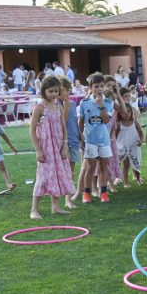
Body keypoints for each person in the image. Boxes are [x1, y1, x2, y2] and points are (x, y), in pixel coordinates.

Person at [29, 76, 76, 219]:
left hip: (58, 146)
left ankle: (55, 206)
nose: (54, 94)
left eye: (56, 91)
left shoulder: (58, 106)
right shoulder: (39, 107)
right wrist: (38, 150)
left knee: (57, 174)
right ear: (43, 91)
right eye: (51, 91)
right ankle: (34, 209)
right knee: (43, 177)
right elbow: (31, 130)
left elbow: (63, 127)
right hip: (45, 147)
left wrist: (64, 146)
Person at [78, 72, 114, 204]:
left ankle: (103, 192)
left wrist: (101, 105)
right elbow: (81, 121)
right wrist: (81, 137)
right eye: (96, 86)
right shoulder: (84, 103)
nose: (99, 89)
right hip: (90, 140)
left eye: (101, 86)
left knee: (104, 166)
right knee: (90, 167)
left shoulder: (108, 102)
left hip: (104, 140)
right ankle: (86, 193)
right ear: (90, 88)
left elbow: (105, 120)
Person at [57, 75, 81, 210]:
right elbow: (62, 123)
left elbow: (74, 121)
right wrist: (65, 106)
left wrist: (80, 134)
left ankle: (68, 199)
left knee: (70, 172)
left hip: (74, 140)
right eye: (61, 90)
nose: (64, 93)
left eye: (66, 90)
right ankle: (64, 197)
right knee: (64, 171)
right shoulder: (58, 106)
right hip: (63, 143)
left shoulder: (72, 104)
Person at [116, 102, 143, 187]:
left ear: (131, 112)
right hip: (124, 147)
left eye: (128, 111)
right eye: (124, 112)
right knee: (126, 165)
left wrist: (140, 140)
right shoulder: (119, 124)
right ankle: (126, 182)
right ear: (120, 113)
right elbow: (116, 136)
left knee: (136, 164)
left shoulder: (135, 123)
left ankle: (138, 179)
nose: (126, 114)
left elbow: (140, 133)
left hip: (134, 146)